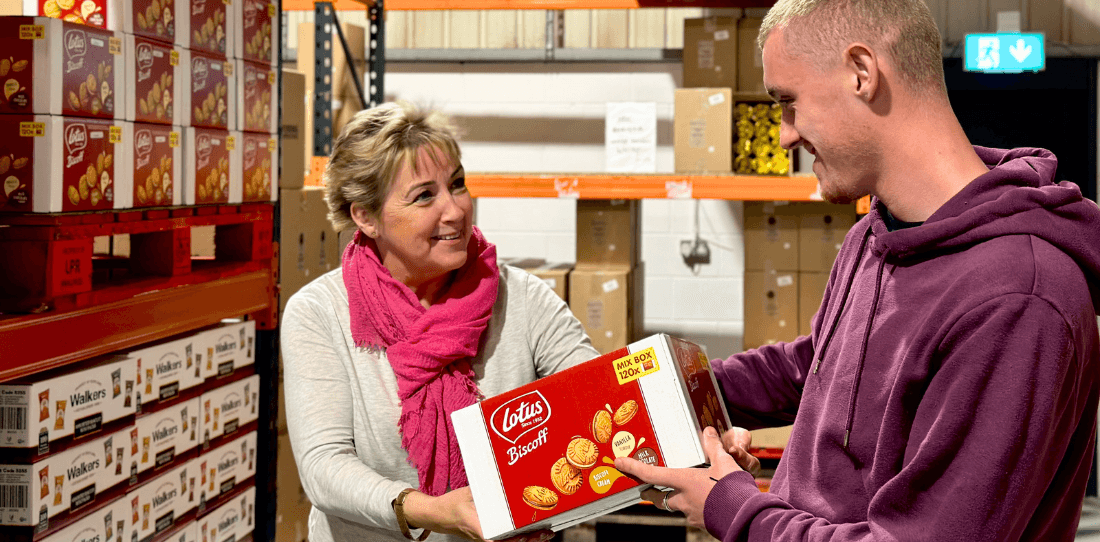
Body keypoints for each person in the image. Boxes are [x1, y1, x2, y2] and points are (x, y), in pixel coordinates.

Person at [616, 0, 1100, 540]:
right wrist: (683, 393)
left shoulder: (1017, 298)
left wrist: (731, 505)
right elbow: (823, 367)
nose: (784, 135)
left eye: (789, 103)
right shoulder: (875, 237)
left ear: (861, 73)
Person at [281, 102, 600, 542]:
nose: (455, 210)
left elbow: (596, 399)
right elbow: (324, 466)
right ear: (366, 216)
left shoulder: (522, 297)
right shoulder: (319, 313)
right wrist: (431, 511)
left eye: (457, 184)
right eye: (424, 195)